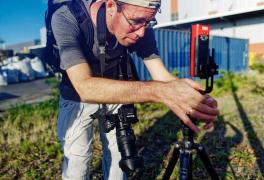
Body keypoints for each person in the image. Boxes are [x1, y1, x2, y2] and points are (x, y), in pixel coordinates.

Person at [51, 0, 219, 179]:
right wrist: (159, 92)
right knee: (78, 162)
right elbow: (84, 86)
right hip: (76, 97)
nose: (142, 32)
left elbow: (161, 75)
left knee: (118, 159)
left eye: (149, 22)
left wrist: (194, 97)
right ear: (111, 7)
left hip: (117, 91)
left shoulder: (142, 23)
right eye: (136, 22)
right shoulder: (66, 17)